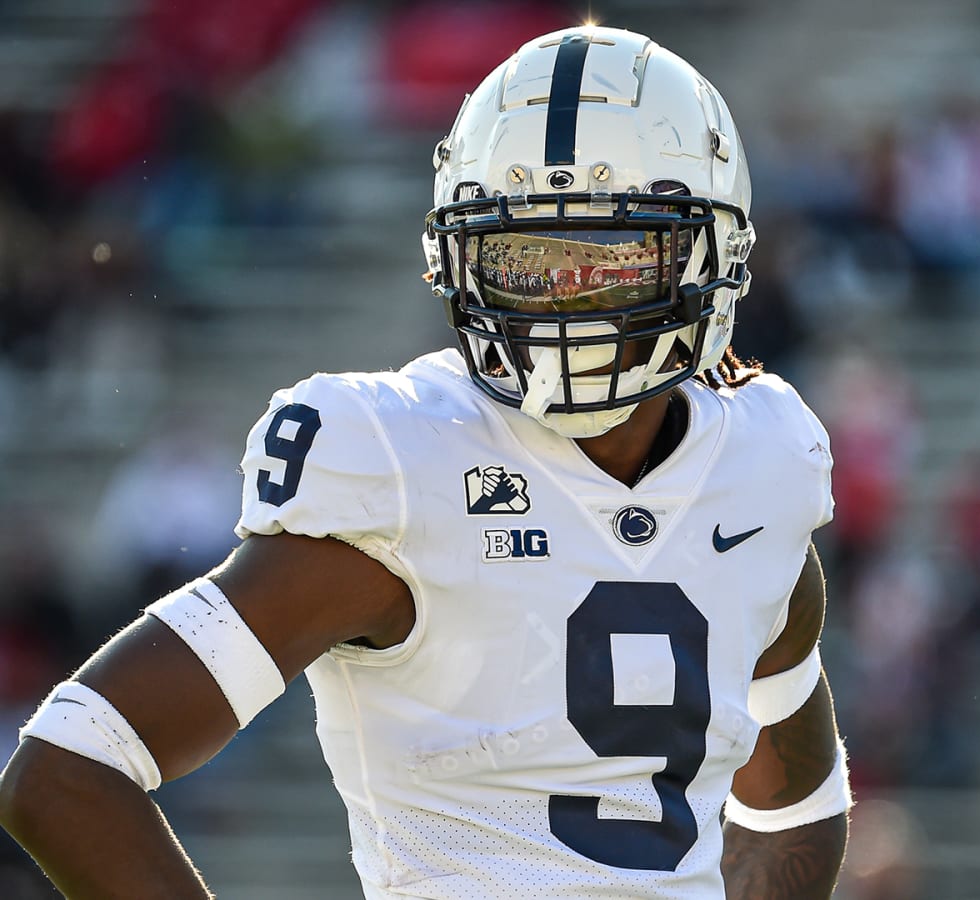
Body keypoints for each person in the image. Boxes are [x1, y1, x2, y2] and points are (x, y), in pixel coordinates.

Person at [0, 25, 851, 899]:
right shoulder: (400, 467)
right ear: (458, 260)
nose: (564, 307)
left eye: (606, 259)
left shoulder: (760, 463)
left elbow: (793, 813)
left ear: (713, 256)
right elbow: (68, 769)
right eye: (524, 260)